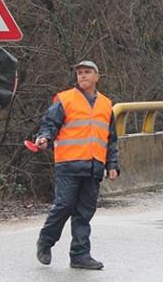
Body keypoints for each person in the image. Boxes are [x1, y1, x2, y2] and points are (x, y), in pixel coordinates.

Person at [34, 60, 120, 270]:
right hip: (69, 163)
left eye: (87, 72)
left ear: (97, 77)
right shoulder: (65, 99)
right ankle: (45, 241)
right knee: (64, 205)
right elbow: (50, 124)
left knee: (84, 212)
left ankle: (80, 255)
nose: (82, 76)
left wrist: (112, 164)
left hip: (93, 166)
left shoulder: (106, 104)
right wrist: (44, 137)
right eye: (80, 73)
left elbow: (110, 138)